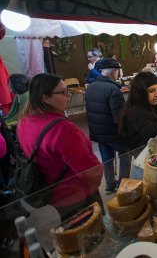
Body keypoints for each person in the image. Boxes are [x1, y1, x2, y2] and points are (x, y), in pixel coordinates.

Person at [17, 73, 103, 221]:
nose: (68, 95)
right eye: (63, 92)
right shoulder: (62, 129)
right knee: (93, 231)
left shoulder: (24, 121)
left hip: (53, 192)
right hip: (76, 194)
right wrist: (99, 168)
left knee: (73, 231)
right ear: (45, 97)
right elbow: (88, 171)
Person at [85, 58, 130, 195]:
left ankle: (110, 186)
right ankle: (123, 186)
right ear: (114, 72)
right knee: (126, 157)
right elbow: (118, 117)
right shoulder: (113, 89)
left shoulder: (90, 87)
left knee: (107, 160)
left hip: (98, 133)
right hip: (114, 134)